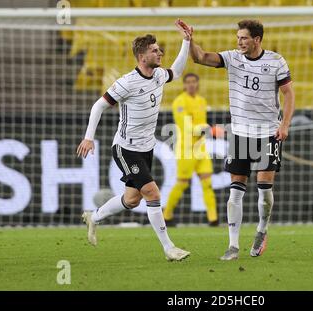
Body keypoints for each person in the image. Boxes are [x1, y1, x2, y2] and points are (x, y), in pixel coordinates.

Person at [177, 19, 295, 260]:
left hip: (267, 132)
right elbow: (200, 57)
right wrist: (189, 40)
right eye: (238, 37)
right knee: (236, 191)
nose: (238, 41)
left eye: (243, 38)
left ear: (257, 39)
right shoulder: (232, 57)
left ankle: (262, 230)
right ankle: (232, 246)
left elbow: (289, 94)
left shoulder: (276, 61)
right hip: (240, 132)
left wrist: (284, 125)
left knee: (264, 190)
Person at [76, 20, 192, 261]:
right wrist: (89, 138)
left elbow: (178, 71)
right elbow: (98, 106)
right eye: (154, 50)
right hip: (125, 148)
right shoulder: (127, 82)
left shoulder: (159, 75)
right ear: (141, 56)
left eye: (159, 49)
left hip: (147, 147)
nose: (159, 53)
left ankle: (94, 217)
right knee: (152, 192)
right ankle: (169, 248)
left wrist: (186, 41)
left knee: (132, 199)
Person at [163, 73, 218, 227]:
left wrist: (206, 130)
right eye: (188, 82)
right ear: (184, 85)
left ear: (198, 83)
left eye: (194, 81)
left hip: (201, 148)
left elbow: (202, 126)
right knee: (182, 183)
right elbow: (186, 128)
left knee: (207, 183)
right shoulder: (179, 102)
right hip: (186, 149)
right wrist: (206, 128)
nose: (192, 85)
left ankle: (213, 219)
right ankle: (166, 214)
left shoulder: (201, 101)